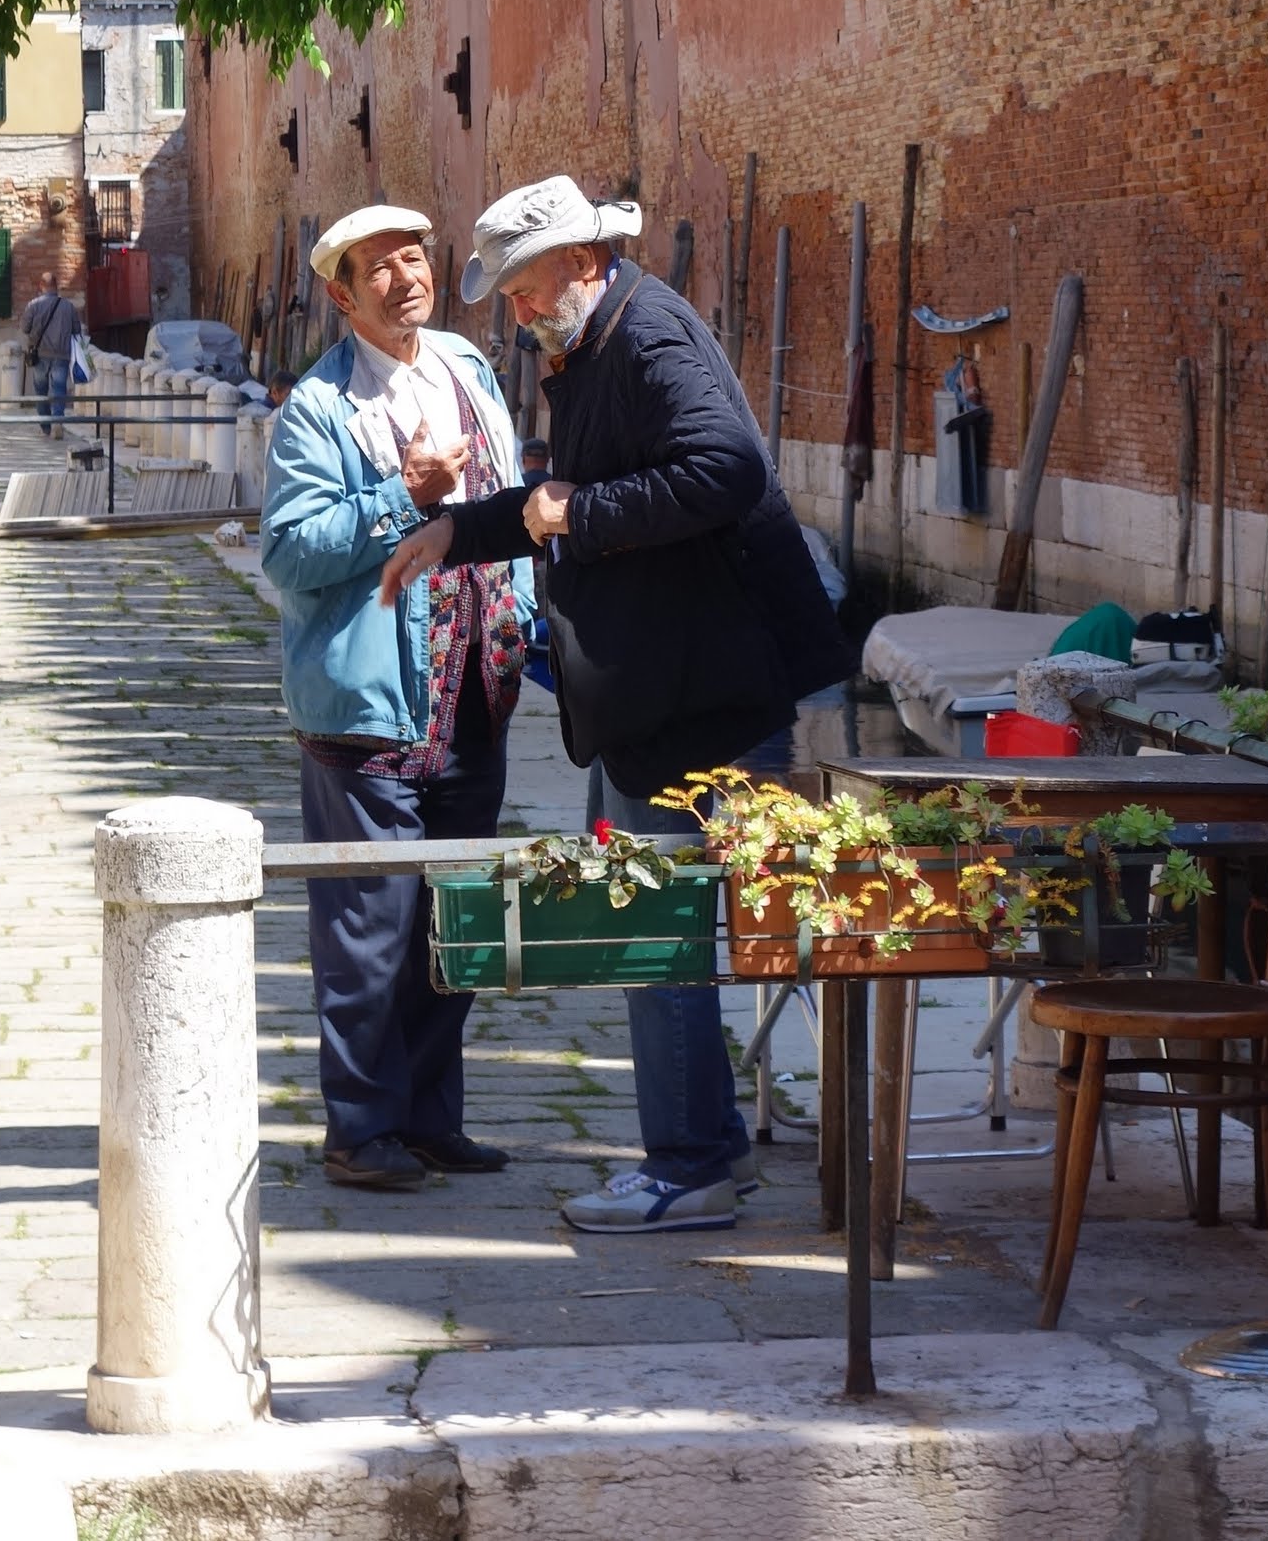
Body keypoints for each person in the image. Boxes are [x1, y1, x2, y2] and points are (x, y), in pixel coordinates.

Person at [380, 174, 854, 1232]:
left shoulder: (647, 340)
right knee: (659, 927)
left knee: (660, 936)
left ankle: (684, 1165)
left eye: (520, 288)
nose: (511, 310)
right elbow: (553, 502)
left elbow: (724, 469)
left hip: (703, 697)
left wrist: (576, 515)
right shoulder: (595, 340)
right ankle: (709, 1151)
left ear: (584, 263)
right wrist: (459, 530)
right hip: (663, 690)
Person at [261, 206, 535, 1193]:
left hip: (475, 694)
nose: (403, 277)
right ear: (342, 294)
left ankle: (428, 1117)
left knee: (451, 924)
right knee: (369, 932)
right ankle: (360, 1129)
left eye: (414, 257)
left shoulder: (468, 365)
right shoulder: (318, 410)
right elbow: (288, 553)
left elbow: (506, 502)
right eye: (377, 268)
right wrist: (401, 500)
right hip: (369, 709)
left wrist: (526, 621)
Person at [20, 270, 79, 437]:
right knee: (59, 389)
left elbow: (25, 328)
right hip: (62, 354)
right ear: (56, 286)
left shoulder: (33, 305)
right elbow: (76, 330)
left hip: (39, 355)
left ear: (41, 286)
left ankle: (45, 427)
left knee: (40, 390)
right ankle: (58, 421)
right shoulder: (68, 306)